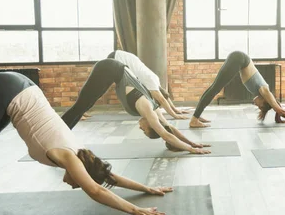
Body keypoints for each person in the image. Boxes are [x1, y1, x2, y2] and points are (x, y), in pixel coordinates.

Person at [0, 72, 172, 215]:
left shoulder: (83, 156)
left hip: (21, 91)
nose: (75, 186)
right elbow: (95, 189)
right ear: (82, 172)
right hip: (8, 88)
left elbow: (108, 176)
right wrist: (136, 210)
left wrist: (147, 188)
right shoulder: (69, 157)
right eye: (79, 183)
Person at [62, 58, 211, 153]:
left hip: (112, 70)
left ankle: (62, 136)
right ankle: (58, 136)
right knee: (80, 106)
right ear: (151, 126)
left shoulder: (155, 111)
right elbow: (165, 134)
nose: (141, 129)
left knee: (83, 106)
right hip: (109, 68)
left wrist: (193, 143)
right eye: (145, 131)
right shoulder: (148, 110)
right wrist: (192, 149)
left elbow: (169, 129)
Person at [190, 51, 285, 128]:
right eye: (260, 106)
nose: (256, 105)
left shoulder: (262, 91)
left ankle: (197, 115)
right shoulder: (265, 91)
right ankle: (194, 120)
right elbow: (281, 111)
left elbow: (279, 112)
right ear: (265, 101)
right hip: (239, 59)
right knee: (215, 89)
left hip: (239, 58)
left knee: (213, 87)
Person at [107, 50, 189, 119]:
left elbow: (164, 96)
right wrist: (174, 115)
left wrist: (176, 109)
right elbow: (162, 99)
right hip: (117, 58)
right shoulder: (151, 82)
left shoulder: (155, 80)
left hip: (121, 55)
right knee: (105, 84)